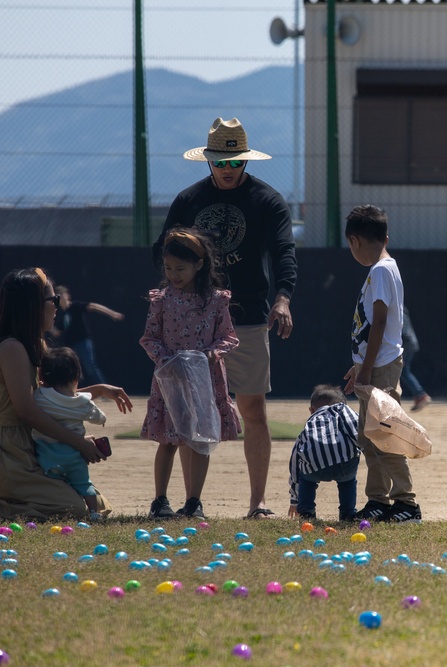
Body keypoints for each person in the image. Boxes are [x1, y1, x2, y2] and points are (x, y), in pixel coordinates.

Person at [153, 117, 297, 520]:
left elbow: (284, 252)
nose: (229, 169)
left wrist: (283, 299)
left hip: (247, 318)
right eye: (222, 162)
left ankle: (258, 503)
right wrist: (173, 300)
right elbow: (160, 253)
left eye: (236, 162)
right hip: (193, 323)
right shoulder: (187, 201)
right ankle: (192, 502)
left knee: (253, 410)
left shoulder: (267, 201)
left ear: (246, 161)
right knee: (189, 413)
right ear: (209, 160)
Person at [0, 268, 132, 520]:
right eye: (53, 301)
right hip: (10, 454)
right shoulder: (13, 349)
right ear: (32, 306)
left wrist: (99, 390)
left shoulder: (33, 345)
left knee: (95, 502)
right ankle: (5, 505)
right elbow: (27, 411)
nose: (57, 307)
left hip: (30, 446)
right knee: (74, 509)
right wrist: (77, 442)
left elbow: (46, 402)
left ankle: (14, 500)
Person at [141, 229, 241, 520]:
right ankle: (160, 500)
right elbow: (150, 338)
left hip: (204, 380)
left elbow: (228, 337)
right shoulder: (161, 300)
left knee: (201, 439)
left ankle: (193, 501)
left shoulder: (217, 300)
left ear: (199, 264)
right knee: (168, 440)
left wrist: (211, 354)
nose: (173, 274)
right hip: (170, 380)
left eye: (180, 268)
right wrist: (165, 359)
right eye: (169, 268)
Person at [342, 204, 423, 524]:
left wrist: (366, 368)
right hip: (375, 363)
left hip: (382, 367)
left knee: (385, 435)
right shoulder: (386, 268)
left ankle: (407, 503)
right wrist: (359, 364)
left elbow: (378, 322)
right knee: (369, 436)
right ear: (385, 236)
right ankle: (377, 500)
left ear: (354, 241)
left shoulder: (379, 270)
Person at [31, 347, 108, 521]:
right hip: (74, 456)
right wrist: (101, 419)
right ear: (75, 377)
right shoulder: (83, 402)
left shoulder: (39, 396)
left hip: (47, 456)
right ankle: (94, 513)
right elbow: (99, 418)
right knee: (84, 485)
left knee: (55, 483)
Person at [287, 384, 361, 522]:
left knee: (307, 481)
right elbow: (358, 430)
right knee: (348, 482)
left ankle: (306, 513)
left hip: (314, 467)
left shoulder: (311, 422)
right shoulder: (344, 410)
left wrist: (294, 500)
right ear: (342, 403)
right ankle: (348, 513)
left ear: (311, 410)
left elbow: (295, 460)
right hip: (345, 466)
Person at [51, 286, 125, 386]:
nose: (60, 298)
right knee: (70, 369)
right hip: (71, 347)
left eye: (61, 295)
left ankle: (106, 390)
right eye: (57, 296)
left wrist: (112, 313)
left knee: (90, 367)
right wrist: (44, 323)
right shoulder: (63, 316)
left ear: (67, 295)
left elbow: (94, 306)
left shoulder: (75, 306)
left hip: (83, 343)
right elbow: (56, 332)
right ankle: (69, 392)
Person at [401, 308, 432, 412]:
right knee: (403, 371)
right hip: (409, 344)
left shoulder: (398, 312)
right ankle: (419, 395)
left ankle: (420, 395)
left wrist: (401, 353)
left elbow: (404, 333)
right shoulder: (401, 311)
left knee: (403, 371)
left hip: (406, 345)